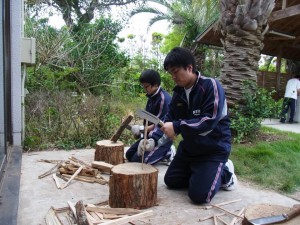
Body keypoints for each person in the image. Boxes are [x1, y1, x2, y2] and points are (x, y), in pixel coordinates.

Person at [159, 47, 237, 204]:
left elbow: (209, 120)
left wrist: (177, 126)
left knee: (200, 196)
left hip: (213, 149)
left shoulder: (211, 86)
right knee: (171, 182)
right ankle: (201, 172)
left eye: (175, 72)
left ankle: (225, 173)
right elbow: (169, 118)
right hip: (190, 149)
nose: (173, 77)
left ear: (189, 67)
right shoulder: (178, 93)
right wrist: (155, 139)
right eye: (170, 73)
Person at [125, 69, 175, 165]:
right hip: (150, 135)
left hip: (161, 138)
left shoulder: (163, 100)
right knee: (129, 154)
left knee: (138, 161)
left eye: (146, 86)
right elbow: (149, 121)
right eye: (143, 86)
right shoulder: (151, 97)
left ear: (155, 84)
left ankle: (168, 152)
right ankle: (161, 152)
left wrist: (150, 138)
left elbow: (160, 125)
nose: (145, 89)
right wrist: (141, 133)